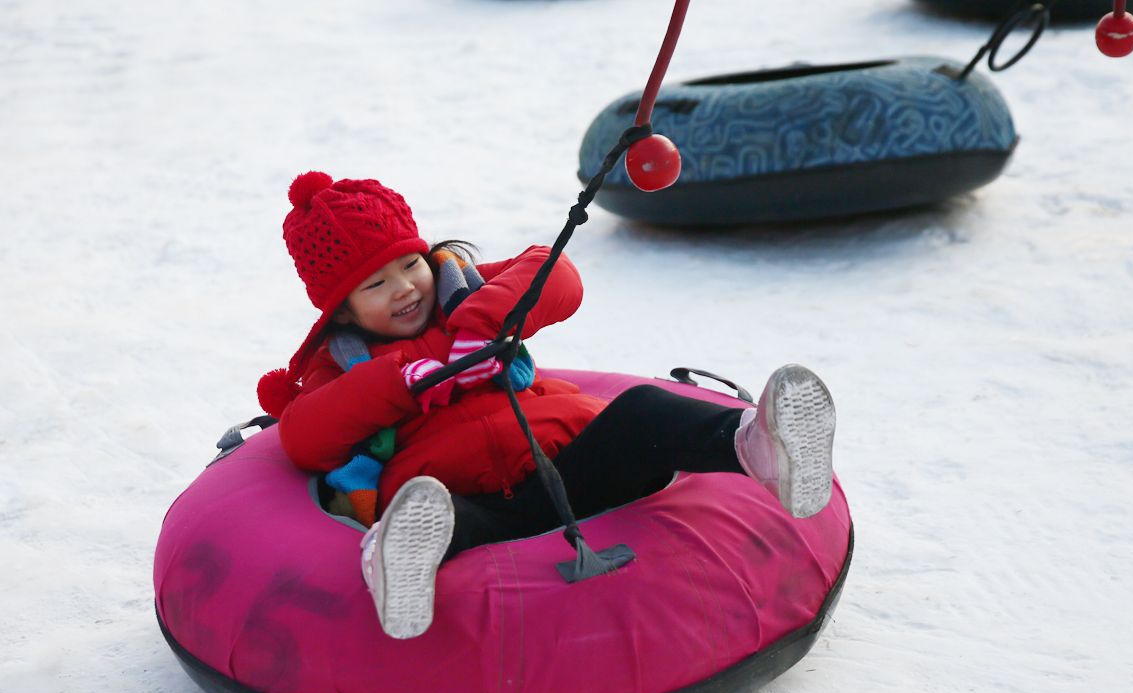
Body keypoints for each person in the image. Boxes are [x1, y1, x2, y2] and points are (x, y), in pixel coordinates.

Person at [259, 171, 837, 640]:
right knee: (429, 512)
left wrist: (481, 322)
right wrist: (409, 374)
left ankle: (761, 446)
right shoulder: (337, 366)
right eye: (375, 285)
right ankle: (400, 567)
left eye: (409, 264)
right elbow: (306, 436)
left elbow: (556, 272)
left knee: (641, 411)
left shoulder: (464, 291)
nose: (406, 288)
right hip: (475, 506)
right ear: (342, 310)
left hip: (570, 467)